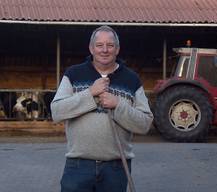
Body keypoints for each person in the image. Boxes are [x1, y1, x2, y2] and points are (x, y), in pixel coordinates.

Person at [51, 25, 153, 192]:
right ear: (91, 48)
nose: (104, 50)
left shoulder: (131, 79)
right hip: (78, 165)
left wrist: (118, 105)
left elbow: (145, 124)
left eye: (110, 45)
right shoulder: (73, 74)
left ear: (117, 49)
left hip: (116, 167)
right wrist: (90, 93)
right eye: (99, 45)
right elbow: (57, 112)